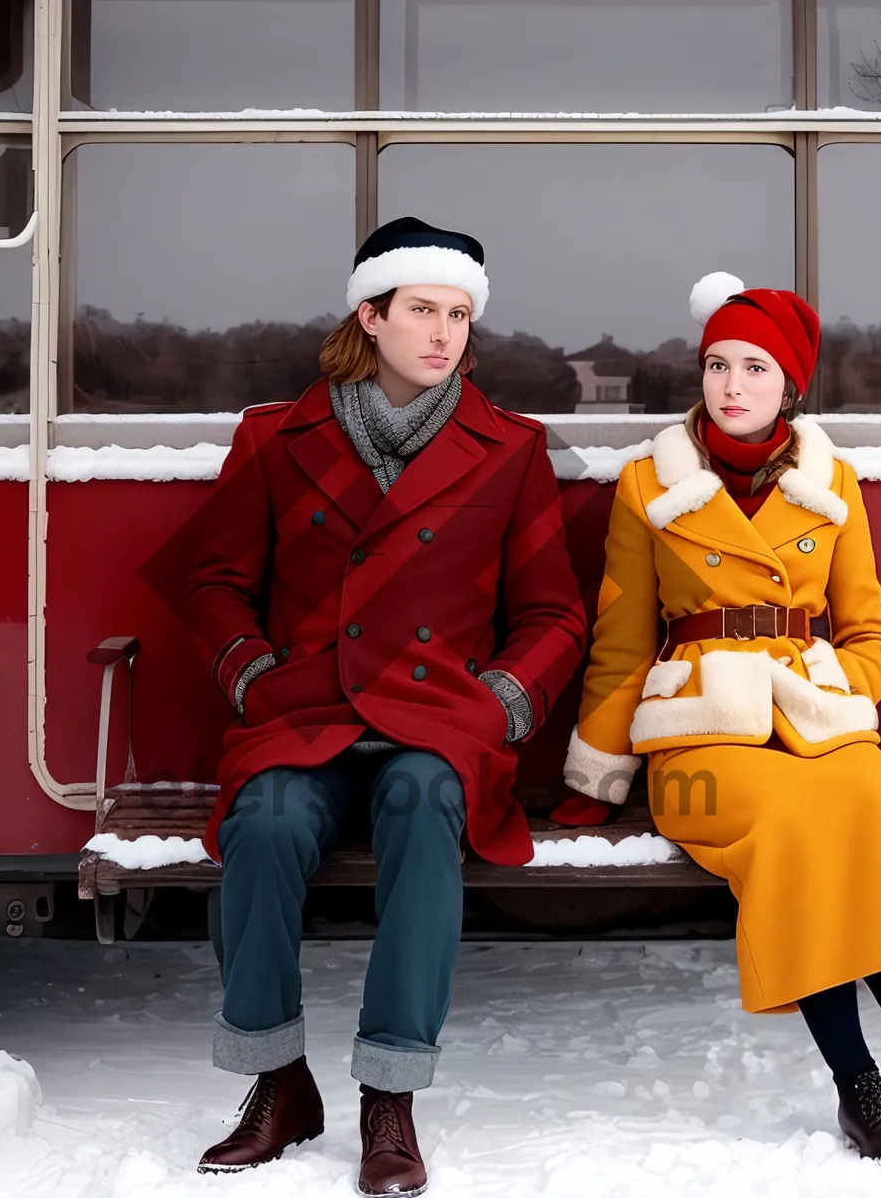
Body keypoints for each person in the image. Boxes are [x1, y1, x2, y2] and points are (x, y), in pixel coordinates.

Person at [552, 272, 881, 1168]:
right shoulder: (651, 483)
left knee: (876, 805)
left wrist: (832, 683)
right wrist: (596, 772)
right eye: (718, 365)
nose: (732, 386)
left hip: (814, 722)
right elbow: (618, 641)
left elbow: (871, 629)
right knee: (800, 825)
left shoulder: (830, 481)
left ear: (789, 384)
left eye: (756, 368)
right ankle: (860, 1081)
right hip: (698, 736)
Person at [186, 217, 587, 1194]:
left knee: (422, 803)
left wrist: (498, 705)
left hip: (439, 721)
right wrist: (250, 673)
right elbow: (214, 581)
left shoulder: (509, 448)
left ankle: (390, 1100)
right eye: (422, 310)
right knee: (268, 820)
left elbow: (552, 615)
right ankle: (279, 1084)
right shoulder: (278, 438)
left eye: (459, 314)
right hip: (305, 714)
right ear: (371, 314)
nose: (444, 332)